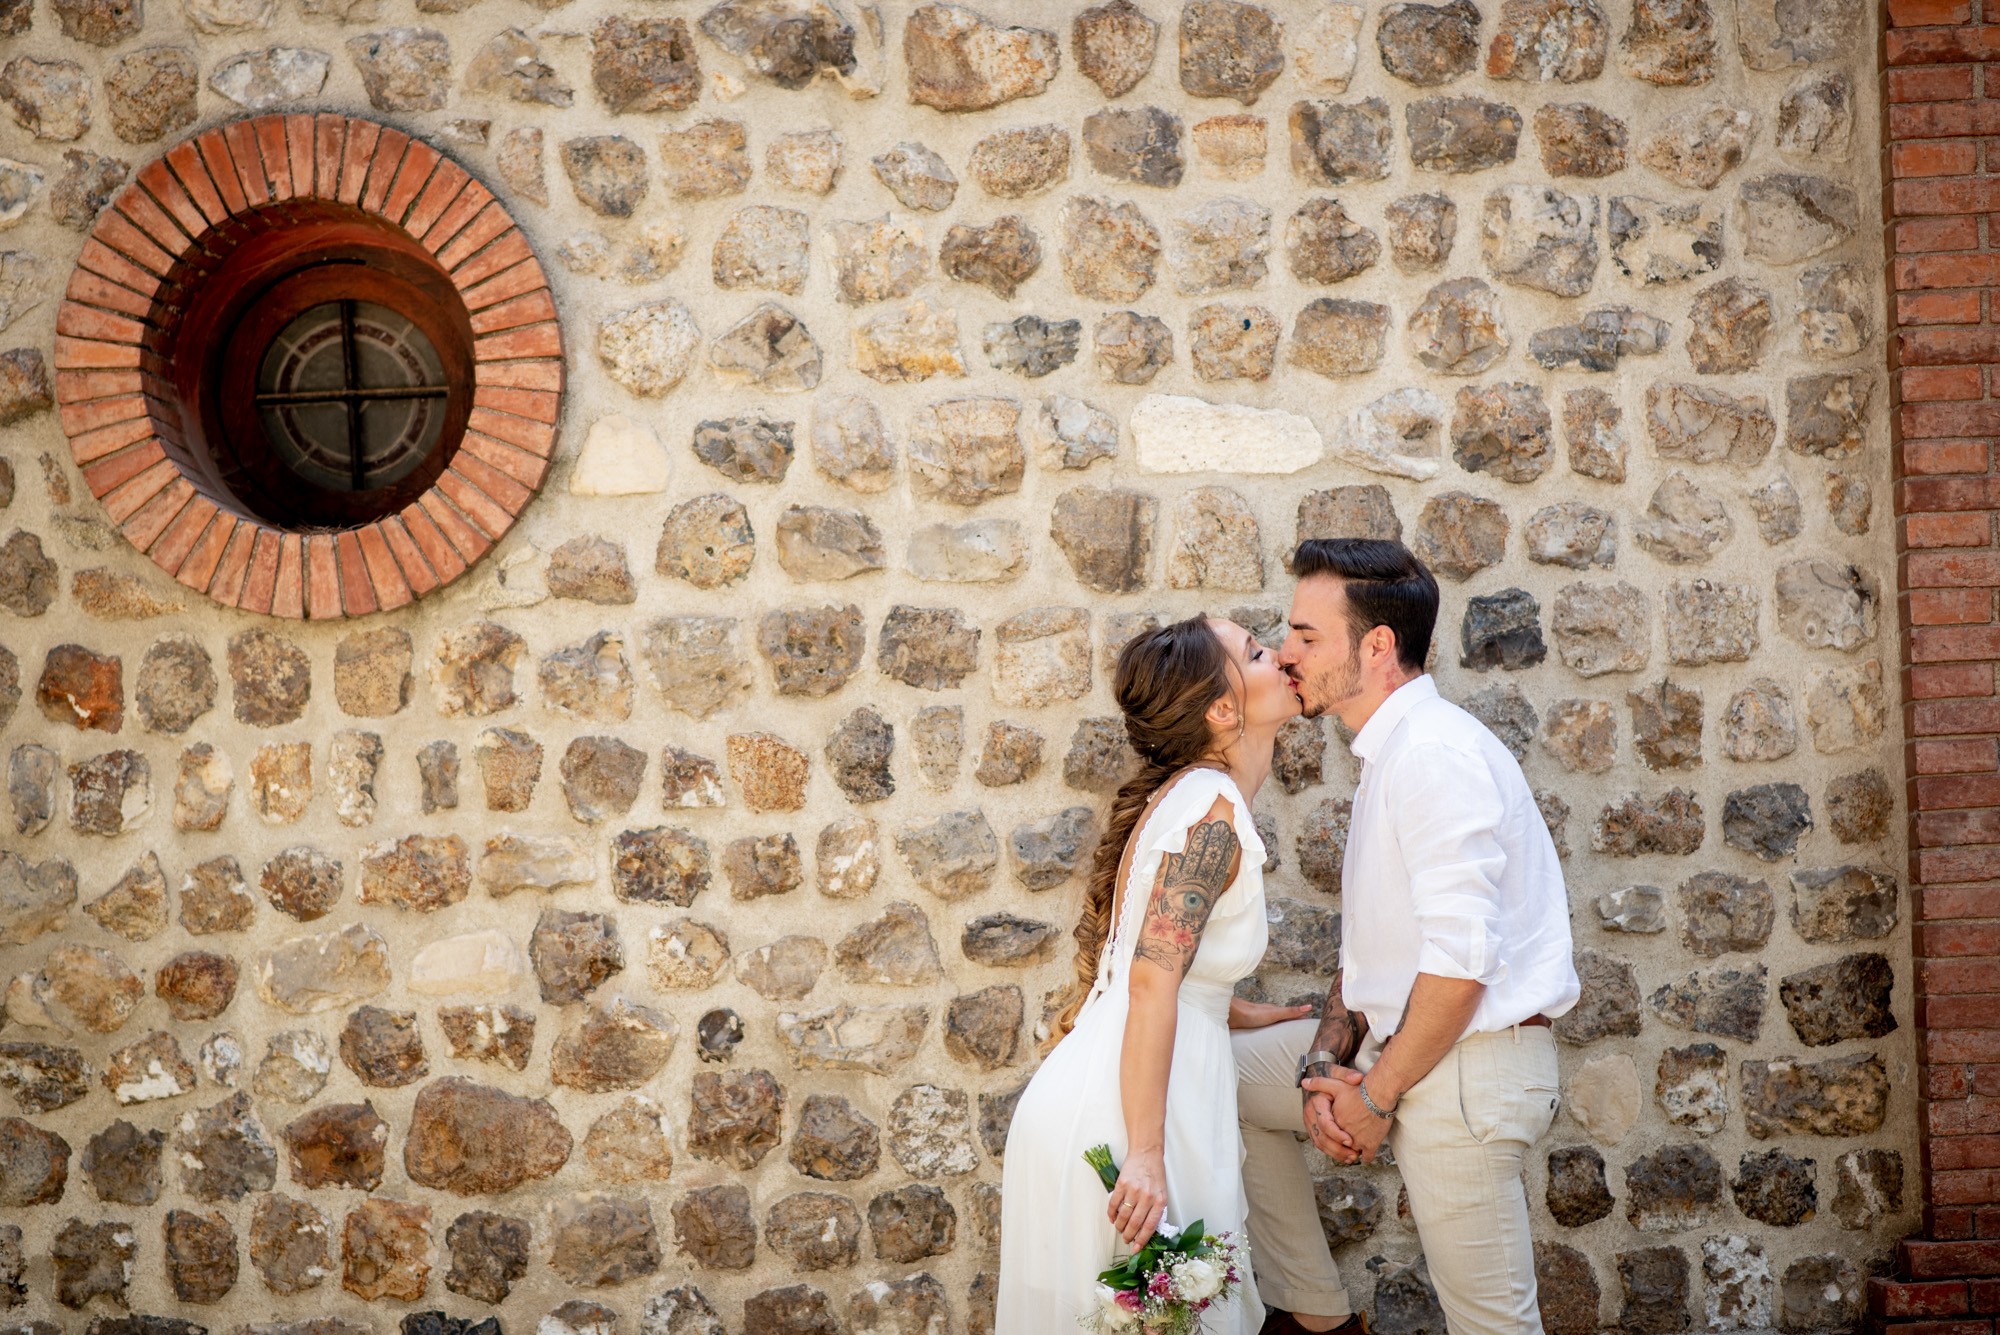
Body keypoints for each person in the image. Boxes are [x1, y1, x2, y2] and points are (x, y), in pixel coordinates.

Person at [1235, 538, 1581, 1335]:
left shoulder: (1431, 754)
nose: (1287, 653)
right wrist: (1326, 1071)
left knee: (1492, 1327)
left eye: (1307, 636)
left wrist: (1375, 1097)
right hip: (1415, 1053)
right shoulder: (1393, 753)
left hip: (1466, 1069)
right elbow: (1372, 960)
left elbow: (1462, 963)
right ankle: (1318, 1317)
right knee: (1224, 1076)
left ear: (1378, 646)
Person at [997, 615, 1312, 1335]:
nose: (1282, 656)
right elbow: (1150, 983)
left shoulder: (1197, 797)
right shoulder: (1208, 808)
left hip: (1121, 1094)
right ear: (1223, 709)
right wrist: (1144, 1154)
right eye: (1259, 653)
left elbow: (1161, 962)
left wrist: (1231, 1007)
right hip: (1124, 1123)